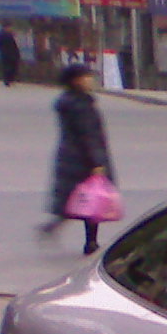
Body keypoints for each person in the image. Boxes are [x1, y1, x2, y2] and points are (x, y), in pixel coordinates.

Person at [39, 62, 113, 255]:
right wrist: (97, 162)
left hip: (71, 156)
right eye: (86, 77)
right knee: (93, 199)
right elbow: (89, 135)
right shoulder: (81, 106)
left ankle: (55, 225)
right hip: (84, 159)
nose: (91, 80)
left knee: (76, 198)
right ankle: (91, 243)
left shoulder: (69, 101)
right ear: (76, 81)